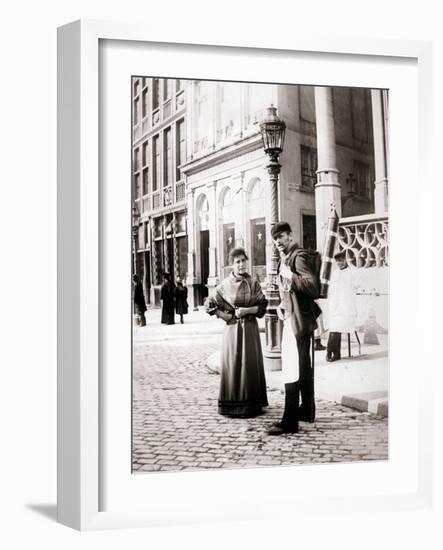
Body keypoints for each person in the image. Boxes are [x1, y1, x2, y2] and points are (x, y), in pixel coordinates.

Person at [267, 222, 321, 435]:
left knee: (292, 367)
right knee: (302, 366)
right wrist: (282, 304)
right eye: (275, 238)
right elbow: (290, 292)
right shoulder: (287, 258)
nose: (278, 241)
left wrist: (290, 275)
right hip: (295, 318)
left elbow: (312, 286)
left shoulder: (298, 256)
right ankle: (306, 410)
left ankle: (289, 420)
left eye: (281, 236)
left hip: (298, 321)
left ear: (290, 235)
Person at [205, 247, 268, 418]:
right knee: (234, 364)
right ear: (231, 265)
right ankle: (232, 405)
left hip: (249, 330)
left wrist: (247, 311)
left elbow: (262, 307)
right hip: (232, 331)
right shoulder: (224, 285)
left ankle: (252, 405)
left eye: (243, 261)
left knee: (249, 364)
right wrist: (224, 316)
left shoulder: (253, 282)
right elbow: (209, 304)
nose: (241, 265)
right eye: (237, 262)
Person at [326, 251, 361, 361]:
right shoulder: (335, 273)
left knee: (336, 327)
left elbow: (358, 286)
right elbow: (332, 290)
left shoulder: (352, 272)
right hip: (336, 306)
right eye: (337, 262)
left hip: (347, 307)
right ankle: (335, 353)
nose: (339, 263)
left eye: (341, 260)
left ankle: (330, 351)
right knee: (334, 327)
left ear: (345, 260)